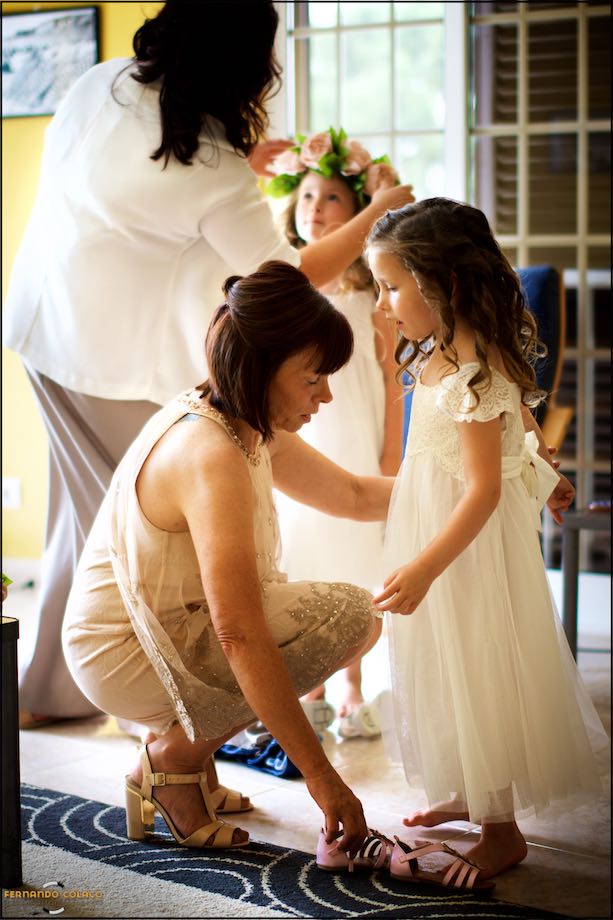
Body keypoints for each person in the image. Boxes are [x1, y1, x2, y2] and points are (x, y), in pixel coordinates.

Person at [3, 0, 414, 728]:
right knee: (146, 550)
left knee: (84, 520)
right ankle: (160, 716)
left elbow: (137, 182)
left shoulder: (100, 83)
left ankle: (47, 695)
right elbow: (290, 273)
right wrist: (374, 213)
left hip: (41, 325)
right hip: (113, 363)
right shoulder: (211, 170)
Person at [61, 260, 396, 856]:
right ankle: (171, 761)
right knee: (349, 617)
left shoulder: (245, 420)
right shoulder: (210, 451)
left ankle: (183, 759)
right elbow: (237, 633)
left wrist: (474, 491)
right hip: (120, 651)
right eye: (314, 377)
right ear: (265, 366)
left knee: (348, 617)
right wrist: (325, 780)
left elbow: (351, 494)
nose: (327, 394)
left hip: (156, 632)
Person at [366, 198, 608, 882]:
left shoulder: (471, 370)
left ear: (440, 282)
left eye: (391, 287)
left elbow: (482, 488)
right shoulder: (455, 349)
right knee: (445, 663)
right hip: (441, 524)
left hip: (461, 544)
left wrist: (423, 568)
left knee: (476, 665)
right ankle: (473, 789)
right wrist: (546, 472)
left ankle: (499, 831)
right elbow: (522, 429)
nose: (385, 304)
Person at [267, 128, 404, 739]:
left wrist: (390, 453)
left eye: (331, 199)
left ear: (357, 214)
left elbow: (393, 377)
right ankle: (309, 683)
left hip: (356, 440)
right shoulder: (285, 285)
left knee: (354, 562)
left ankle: (350, 682)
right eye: (306, 199)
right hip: (303, 442)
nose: (316, 210)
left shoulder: (374, 293)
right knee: (302, 558)